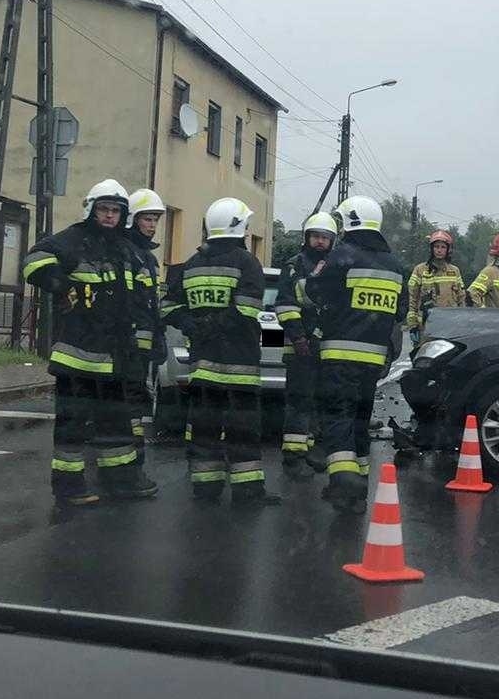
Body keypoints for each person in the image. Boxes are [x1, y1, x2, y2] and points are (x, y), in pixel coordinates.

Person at [23, 178, 156, 507]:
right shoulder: (73, 239)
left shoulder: (126, 249)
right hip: (77, 356)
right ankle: (68, 487)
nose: (109, 215)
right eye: (104, 209)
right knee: (73, 424)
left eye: (115, 211)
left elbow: (142, 294)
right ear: (91, 210)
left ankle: (121, 480)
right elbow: (34, 261)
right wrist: (62, 284)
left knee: (116, 422)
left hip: (115, 357)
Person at [163, 197, 277, 507]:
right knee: (244, 429)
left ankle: (206, 487)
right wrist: (211, 326)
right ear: (238, 227)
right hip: (240, 366)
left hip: (202, 367)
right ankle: (247, 491)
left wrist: (194, 325)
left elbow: (168, 307)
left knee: (205, 428)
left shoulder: (192, 264)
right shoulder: (246, 262)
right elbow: (247, 310)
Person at [309, 195, 408, 514]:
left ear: (350, 222)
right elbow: (401, 311)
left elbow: (315, 290)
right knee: (360, 420)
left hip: (340, 353)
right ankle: (357, 491)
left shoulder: (342, 256)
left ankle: (343, 481)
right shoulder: (395, 265)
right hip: (375, 360)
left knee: (338, 415)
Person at [273, 211, 336, 479]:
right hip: (299, 347)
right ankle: (293, 458)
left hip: (325, 346)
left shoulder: (335, 266)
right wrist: (299, 338)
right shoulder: (294, 265)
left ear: (332, 241)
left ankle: (310, 450)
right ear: (307, 238)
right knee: (299, 401)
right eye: (316, 236)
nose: (320, 241)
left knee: (319, 400)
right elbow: (285, 305)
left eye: (325, 237)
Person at [123, 188, 168, 466]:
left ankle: (134, 449)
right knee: (129, 395)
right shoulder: (125, 252)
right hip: (127, 341)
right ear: (133, 219)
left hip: (145, 341)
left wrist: (158, 335)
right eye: (147, 219)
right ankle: (129, 451)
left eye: (155, 220)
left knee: (139, 395)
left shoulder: (148, 258)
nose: (152, 225)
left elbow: (152, 303)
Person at [405, 229, 469, 341]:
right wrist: (413, 325)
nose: (439, 250)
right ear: (431, 249)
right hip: (426, 326)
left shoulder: (455, 271)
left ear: (448, 250)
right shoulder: (420, 270)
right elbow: (412, 299)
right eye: (436, 247)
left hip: (451, 325)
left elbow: (461, 298)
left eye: (443, 247)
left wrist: (463, 322)